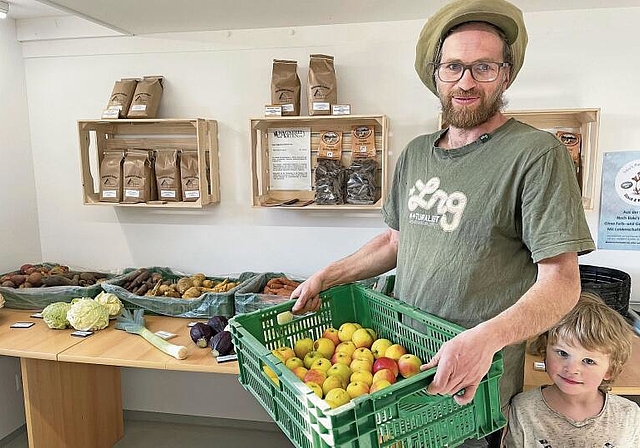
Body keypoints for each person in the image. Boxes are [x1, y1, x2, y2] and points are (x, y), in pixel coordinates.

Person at [292, 0, 594, 445]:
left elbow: (562, 282)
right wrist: (326, 276)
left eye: (483, 67)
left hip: (473, 380)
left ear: (505, 75)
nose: (466, 82)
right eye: (453, 67)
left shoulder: (536, 154)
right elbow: (395, 241)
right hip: (396, 359)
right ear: (436, 75)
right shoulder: (415, 153)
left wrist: (484, 341)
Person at [503, 292, 640, 446]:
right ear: (544, 350)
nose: (572, 369)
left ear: (610, 370)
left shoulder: (628, 415)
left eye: (588, 361)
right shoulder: (523, 409)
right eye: (562, 353)